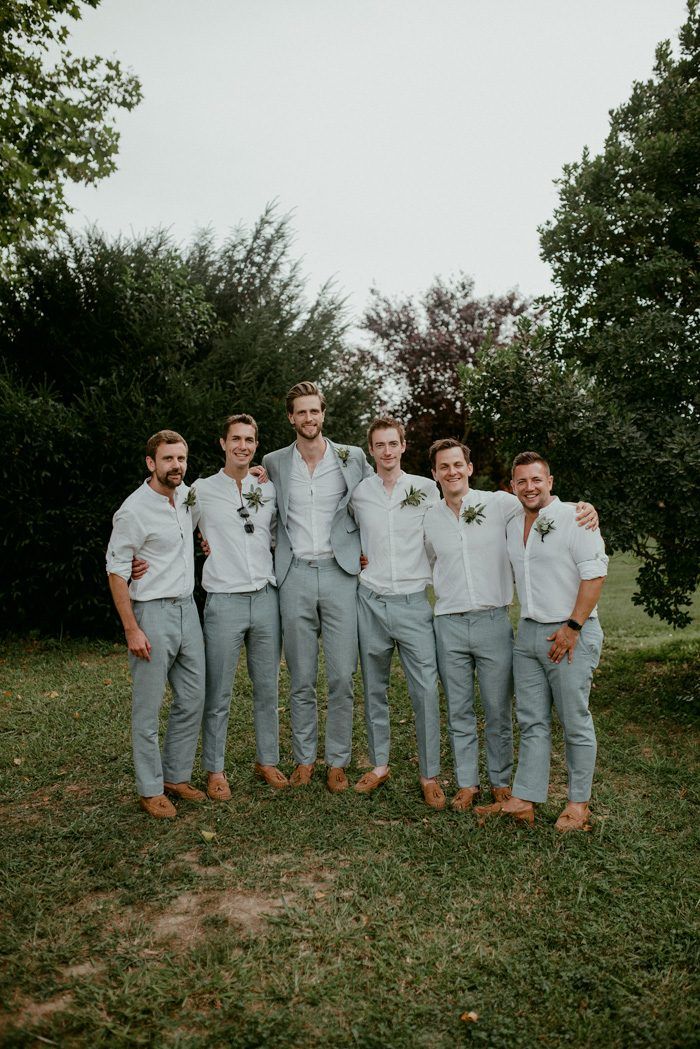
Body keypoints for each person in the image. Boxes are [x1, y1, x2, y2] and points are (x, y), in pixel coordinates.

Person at [423, 439, 598, 812]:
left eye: (458, 464)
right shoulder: (430, 515)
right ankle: (468, 783)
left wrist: (586, 508)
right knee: (460, 709)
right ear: (435, 473)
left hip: (495, 620)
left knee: (500, 709)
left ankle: (503, 784)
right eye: (444, 467)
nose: (452, 472)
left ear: (469, 468)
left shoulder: (499, 504)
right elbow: (423, 559)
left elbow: (551, 507)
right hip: (450, 623)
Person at [475, 451, 607, 831]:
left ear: (550, 482)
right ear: (512, 486)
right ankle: (523, 799)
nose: (529, 487)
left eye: (536, 480)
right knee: (531, 720)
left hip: (569, 632)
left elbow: (594, 576)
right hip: (528, 633)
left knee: (574, 720)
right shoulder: (513, 519)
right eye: (521, 481)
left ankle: (578, 804)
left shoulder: (575, 517)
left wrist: (573, 628)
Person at [262, 381, 373, 792]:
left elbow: (373, 505)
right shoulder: (273, 462)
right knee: (302, 676)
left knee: (342, 675)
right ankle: (305, 758)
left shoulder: (352, 457)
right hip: (294, 576)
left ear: (323, 414)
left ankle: (338, 760)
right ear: (291, 417)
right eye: (300, 412)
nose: (308, 419)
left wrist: (368, 551)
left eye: (315, 411)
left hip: (341, 573)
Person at [106, 430, 206, 819]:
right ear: (151, 463)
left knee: (193, 696)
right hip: (151, 613)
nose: (176, 466)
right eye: (168, 459)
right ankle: (150, 789)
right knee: (147, 709)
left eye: (181, 458)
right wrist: (132, 628)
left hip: (188, 611)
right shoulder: (132, 510)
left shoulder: (187, 497)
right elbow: (116, 572)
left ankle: (176, 776)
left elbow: (205, 523)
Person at [351, 417, 445, 809]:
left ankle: (429, 774)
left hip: (411, 602)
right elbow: (341, 532)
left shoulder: (426, 489)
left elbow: (442, 539)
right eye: (379, 445)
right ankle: (380, 764)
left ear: (404, 446)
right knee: (374, 688)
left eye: (393, 443)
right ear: (370, 450)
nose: (387, 451)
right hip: (369, 600)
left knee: (425, 689)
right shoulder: (358, 493)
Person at [194, 414, 286, 801]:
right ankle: (215, 769)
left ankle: (267, 760)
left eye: (249, 439)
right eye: (236, 439)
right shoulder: (199, 490)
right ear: (222, 443)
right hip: (224, 602)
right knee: (218, 692)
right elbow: (170, 525)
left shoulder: (267, 489)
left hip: (266, 598)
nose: (243, 446)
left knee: (267, 687)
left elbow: (284, 534)